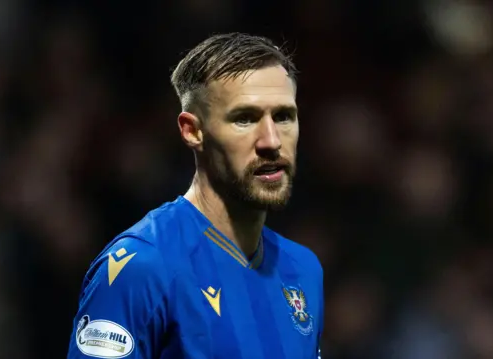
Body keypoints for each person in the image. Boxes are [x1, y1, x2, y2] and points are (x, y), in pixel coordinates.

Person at [66, 32, 324, 359]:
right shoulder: (142, 268)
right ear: (192, 131)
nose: (271, 140)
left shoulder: (303, 269)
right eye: (245, 118)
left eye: (284, 116)